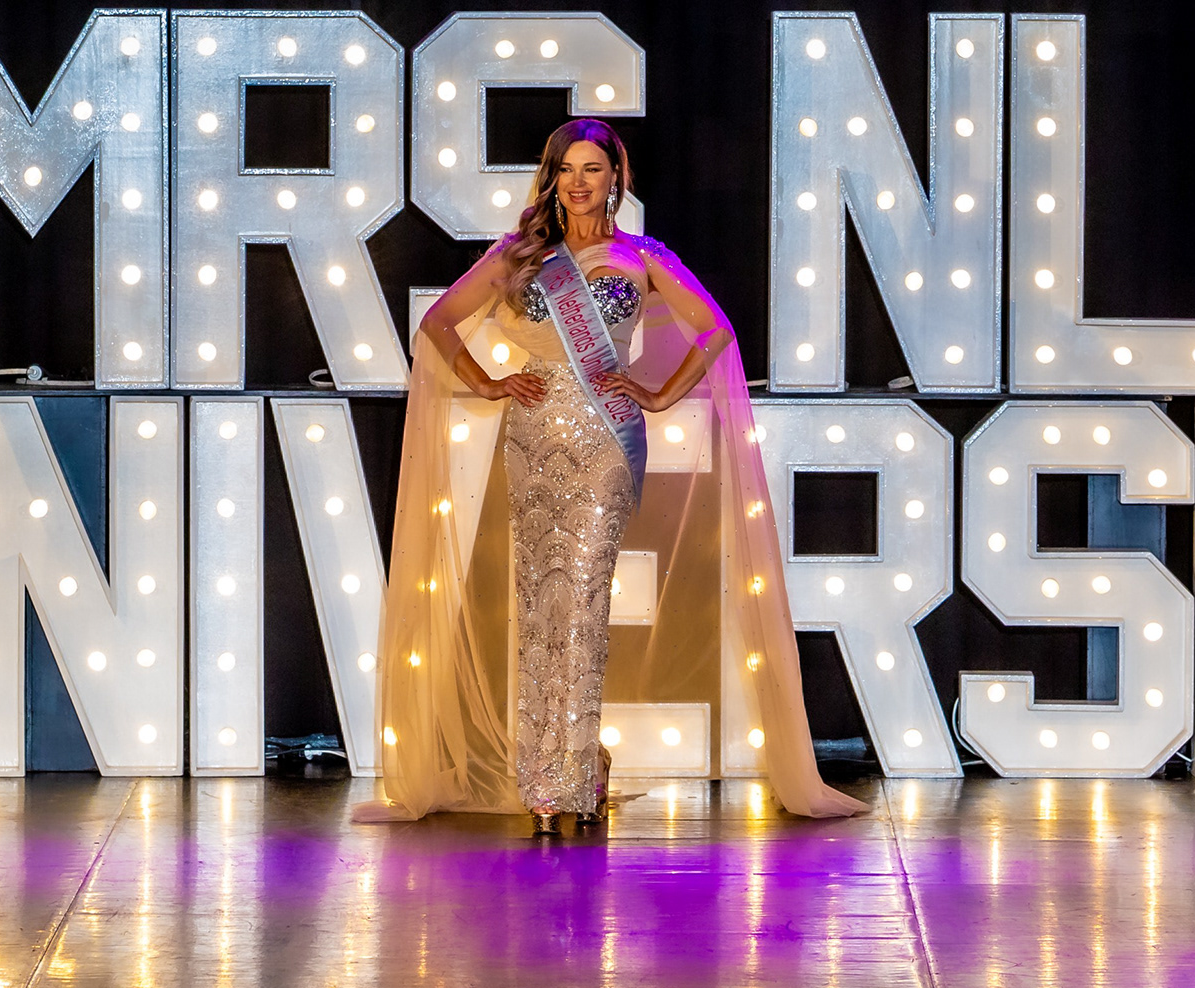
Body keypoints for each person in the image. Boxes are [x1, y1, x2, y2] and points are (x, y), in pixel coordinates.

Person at [352, 119, 867, 834]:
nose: (579, 182)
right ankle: (570, 768)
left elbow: (716, 331)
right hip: (534, 437)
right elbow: (439, 324)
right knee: (541, 604)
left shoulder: (642, 257)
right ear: (551, 178)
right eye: (566, 169)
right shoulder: (520, 255)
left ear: (616, 178)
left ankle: (562, 779)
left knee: (583, 600)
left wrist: (656, 394)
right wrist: (490, 382)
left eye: (592, 169)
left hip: (605, 442)